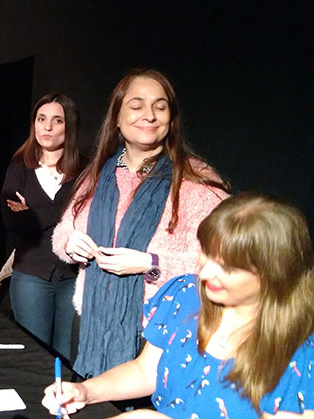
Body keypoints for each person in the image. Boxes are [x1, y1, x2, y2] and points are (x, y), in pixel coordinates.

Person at [43, 193, 314, 419]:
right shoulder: (184, 294)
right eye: (206, 252)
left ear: (275, 273)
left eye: (228, 266)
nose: (205, 273)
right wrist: (86, 391)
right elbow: (146, 371)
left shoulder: (304, 354)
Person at [52, 69, 229, 378]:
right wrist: (70, 242)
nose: (149, 115)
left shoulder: (198, 183)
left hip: (160, 335)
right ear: (117, 118)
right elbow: (64, 229)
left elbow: (228, 263)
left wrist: (152, 264)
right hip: (91, 323)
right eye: (136, 106)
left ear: (171, 119)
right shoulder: (99, 174)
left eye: (160, 107)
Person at [0, 93, 84, 361]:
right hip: (31, 276)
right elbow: (13, 222)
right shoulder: (19, 166)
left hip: (73, 278)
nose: (47, 127)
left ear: (69, 126)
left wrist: (34, 214)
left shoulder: (85, 169)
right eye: (41, 119)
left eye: (57, 120)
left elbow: (86, 220)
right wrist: (64, 212)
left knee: (66, 359)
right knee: (35, 358)